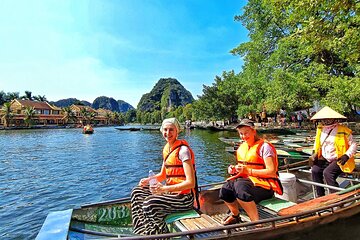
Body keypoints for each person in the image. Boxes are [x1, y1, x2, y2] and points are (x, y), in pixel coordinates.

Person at [130, 118, 197, 235]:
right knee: (137, 192)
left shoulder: (183, 151)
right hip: (171, 194)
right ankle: (142, 231)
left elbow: (191, 183)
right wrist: (148, 180)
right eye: (165, 130)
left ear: (177, 131)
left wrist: (164, 189)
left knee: (149, 204)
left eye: (171, 130)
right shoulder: (167, 149)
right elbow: (162, 175)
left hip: (184, 199)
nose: (168, 133)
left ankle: (160, 235)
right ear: (161, 131)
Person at [219, 119, 283, 224]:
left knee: (240, 187)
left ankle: (256, 222)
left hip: (265, 186)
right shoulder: (242, 147)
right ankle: (235, 215)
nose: (244, 136)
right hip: (249, 182)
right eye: (241, 134)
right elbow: (243, 168)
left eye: (246, 133)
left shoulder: (265, 147)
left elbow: (271, 171)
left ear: (253, 131)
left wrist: (248, 171)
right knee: (226, 188)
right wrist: (234, 170)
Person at [310, 106, 357, 197]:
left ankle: (336, 197)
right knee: (315, 171)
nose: (326, 121)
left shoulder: (343, 130)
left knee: (328, 173)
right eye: (324, 119)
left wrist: (346, 156)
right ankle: (320, 196)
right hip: (325, 158)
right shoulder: (320, 129)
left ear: (334, 118)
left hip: (339, 159)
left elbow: (354, 145)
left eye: (328, 118)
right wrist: (313, 154)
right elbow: (317, 143)